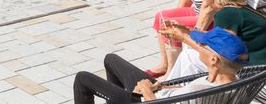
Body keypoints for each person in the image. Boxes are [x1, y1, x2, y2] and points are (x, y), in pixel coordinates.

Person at [72, 27, 247, 104]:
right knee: (111, 60)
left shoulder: (201, 90)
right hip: (161, 93)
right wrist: (161, 85)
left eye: (202, 46)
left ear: (214, 60)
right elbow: (197, 89)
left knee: (83, 78)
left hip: (150, 101)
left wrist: (147, 90)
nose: (198, 47)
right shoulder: (234, 80)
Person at [164, 0, 266, 79]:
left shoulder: (227, 14)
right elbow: (217, 38)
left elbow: (220, 55)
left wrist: (183, 38)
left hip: (255, 73)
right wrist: (185, 29)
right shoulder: (239, 8)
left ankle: (169, 92)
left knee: (188, 57)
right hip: (258, 67)